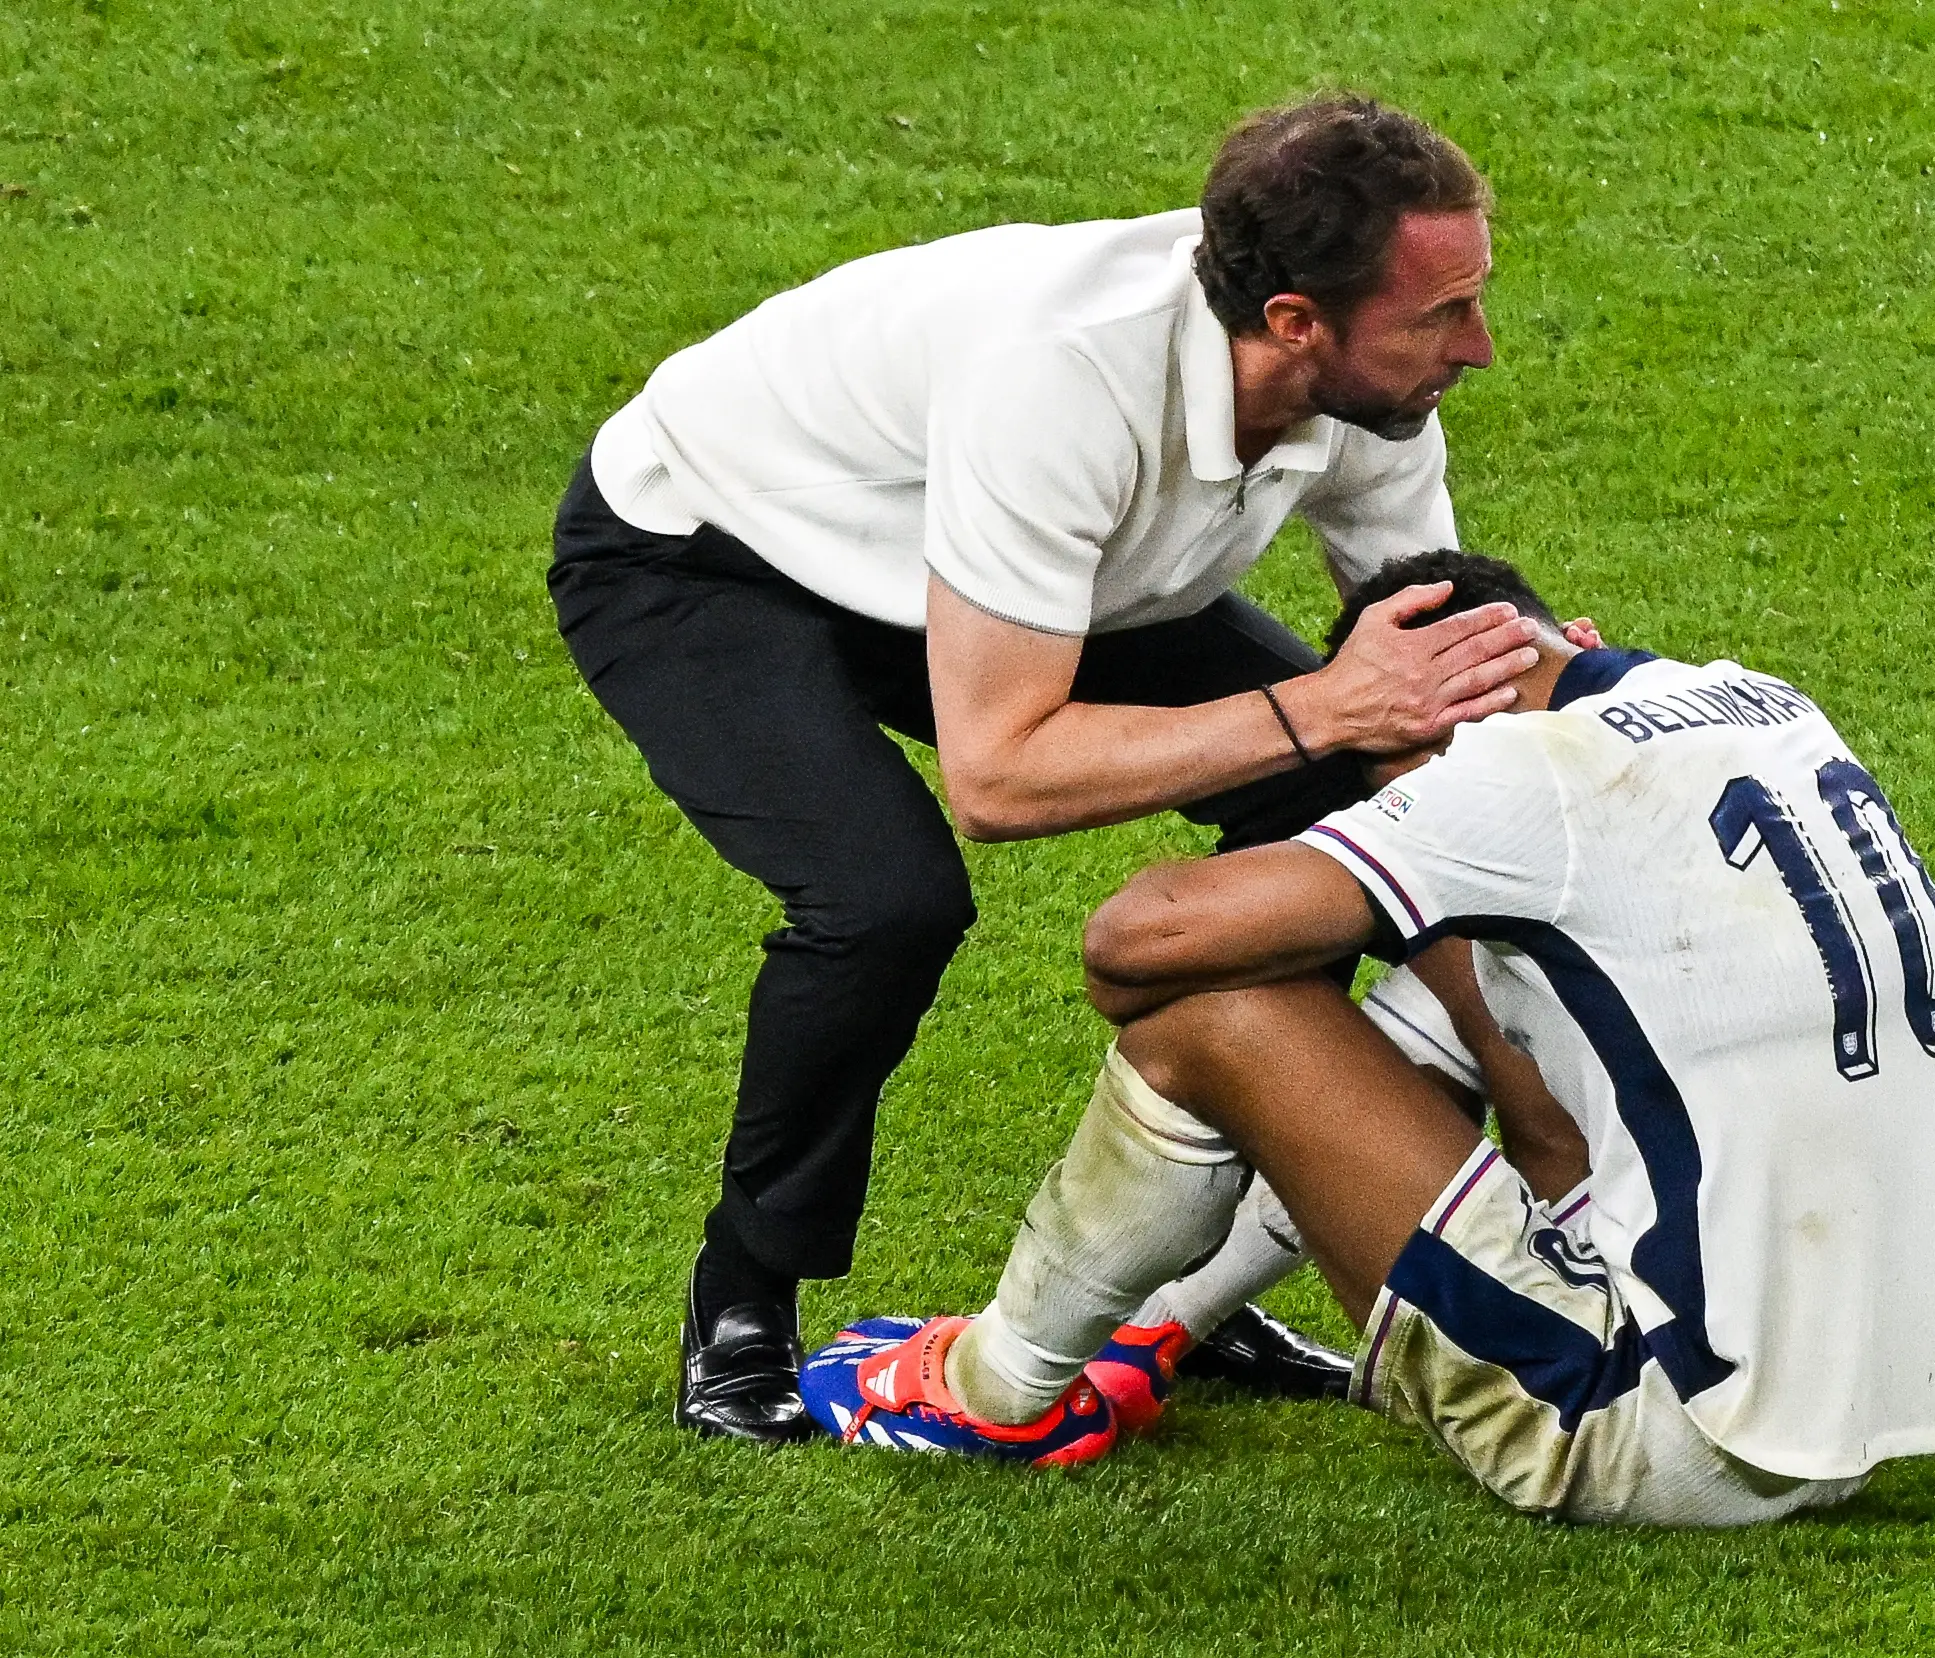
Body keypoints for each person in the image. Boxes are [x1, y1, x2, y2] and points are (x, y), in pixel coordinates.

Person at [548, 99, 1551, 1440]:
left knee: (1336, 798)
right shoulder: (1063, 373)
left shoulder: (1371, 388)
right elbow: (1001, 777)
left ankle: (1170, 1274)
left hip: (1012, 564)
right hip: (709, 551)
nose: (1474, 346)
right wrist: (1322, 706)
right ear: (1297, 320)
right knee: (883, 898)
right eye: (1439, 316)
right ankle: (744, 1300)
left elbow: (1422, 692)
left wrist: (1563, 690)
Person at [801, 552, 1935, 1526]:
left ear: (1433, 712)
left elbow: (1134, 941)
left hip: (1668, 1432)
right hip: (1848, 1419)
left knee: (1215, 1004)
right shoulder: (1757, 700)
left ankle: (996, 1385)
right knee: (1472, 975)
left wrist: (1352, 769)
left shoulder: (1517, 775)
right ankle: (1164, 1321)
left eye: (1383, 769)